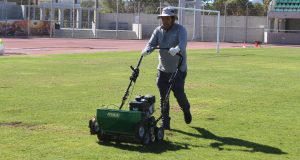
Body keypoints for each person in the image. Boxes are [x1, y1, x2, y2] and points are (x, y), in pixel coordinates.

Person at [141, 7, 192, 130]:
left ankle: (186, 109)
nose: (165, 21)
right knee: (164, 97)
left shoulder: (180, 30)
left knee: (179, 94)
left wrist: (177, 49)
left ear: (173, 18)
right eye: (163, 18)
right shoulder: (158, 31)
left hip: (178, 69)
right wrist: (146, 49)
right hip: (162, 69)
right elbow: (151, 44)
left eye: (167, 18)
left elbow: (183, 43)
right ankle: (165, 122)